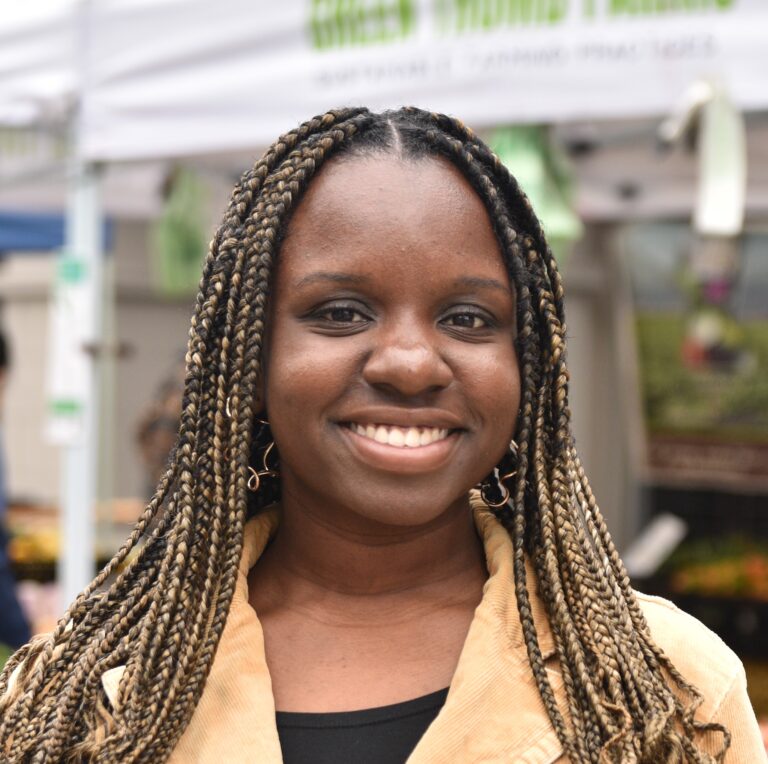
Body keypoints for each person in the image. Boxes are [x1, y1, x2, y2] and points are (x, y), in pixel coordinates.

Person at [0, 107, 764, 763]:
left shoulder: (665, 683)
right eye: (340, 312)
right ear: (250, 355)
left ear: (529, 365)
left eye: (469, 319)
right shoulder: (84, 693)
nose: (409, 363)